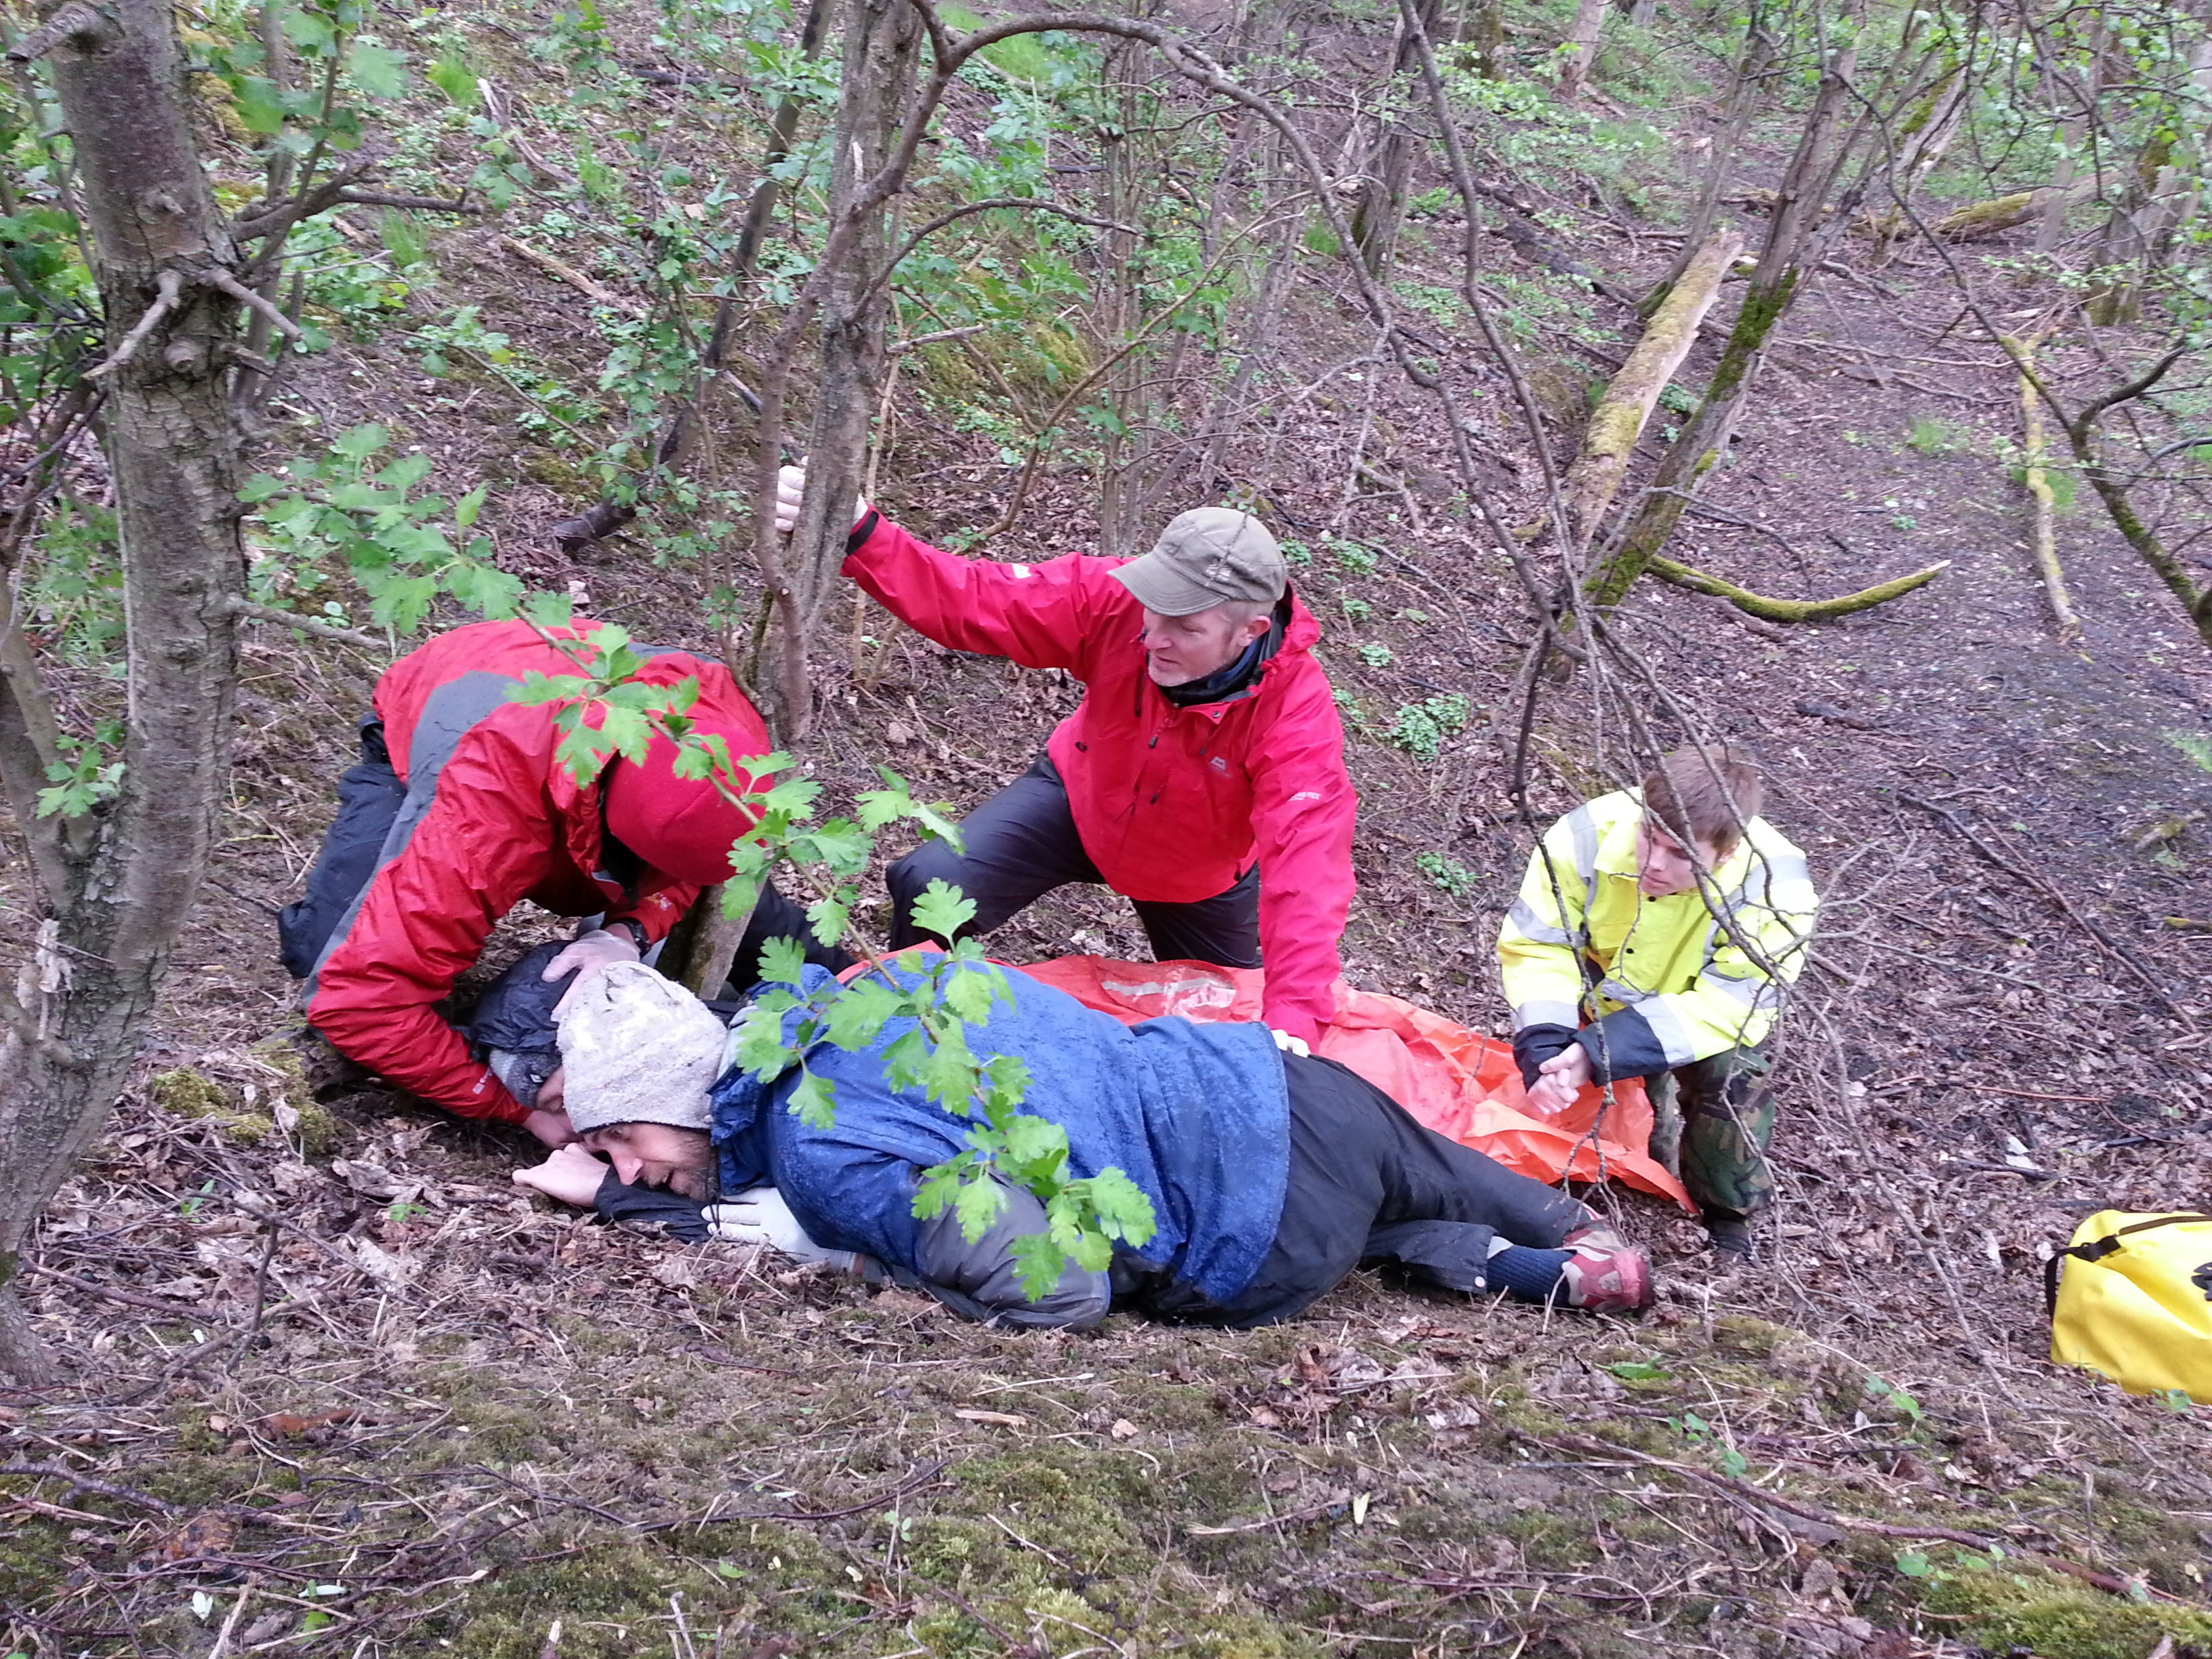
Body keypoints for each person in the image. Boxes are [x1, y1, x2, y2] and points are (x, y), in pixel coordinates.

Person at [512, 956, 1653, 1328]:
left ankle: (1502, 1259)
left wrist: (650, 1210)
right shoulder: (893, 981)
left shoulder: (815, 1150)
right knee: (1395, 1187)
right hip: (1284, 1083)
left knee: (1321, 1235)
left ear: (676, 1088)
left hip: (1258, 1234)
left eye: (617, 1137)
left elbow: (1055, 1281)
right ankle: (1548, 1242)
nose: (620, 1162)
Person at [772, 467, 1357, 1049]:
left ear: (1250, 631)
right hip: (1080, 800)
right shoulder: (1117, 599)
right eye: (1154, 609)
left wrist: (1293, 1023)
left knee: (1240, 1015)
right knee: (931, 883)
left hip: (1193, 870)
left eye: (1185, 627)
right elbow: (976, 599)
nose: (1152, 637)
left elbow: (1307, 867)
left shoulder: (1294, 715)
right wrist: (860, 534)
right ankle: (912, 1032)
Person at [280, 618, 848, 1147]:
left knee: (740, 915)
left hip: (575, 755)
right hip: (444, 719)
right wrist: (516, 1110)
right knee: (327, 952)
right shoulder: (485, 816)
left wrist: (627, 931)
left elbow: (690, 870)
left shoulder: (729, 735)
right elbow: (360, 1003)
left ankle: (858, 990)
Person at [1497, 746, 1818, 1259]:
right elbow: (1540, 944)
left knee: (1734, 1077)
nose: (1653, 864)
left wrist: (1601, 1050)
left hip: (1698, 1006)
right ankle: (1652, 1152)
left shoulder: (1776, 889)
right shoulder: (1585, 835)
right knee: (1642, 1127)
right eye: (1648, 838)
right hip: (1604, 981)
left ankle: (1727, 1216)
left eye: (1679, 855)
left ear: (1727, 855)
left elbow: (1733, 1004)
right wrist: (1546, 1045)